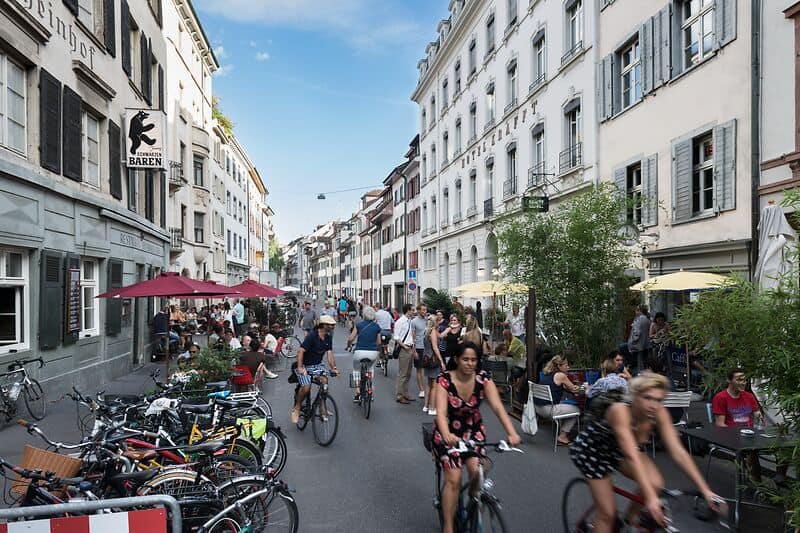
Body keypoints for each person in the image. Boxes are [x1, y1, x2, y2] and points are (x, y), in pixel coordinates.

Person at [570, 372, 724, 532]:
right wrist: (651, 499)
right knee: (607, 515)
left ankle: (627, 523)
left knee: (655, 483)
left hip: (622, 449)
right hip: (594, 451)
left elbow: (678, 451)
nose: (653, 405)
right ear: (635, 396)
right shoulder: (620, 411)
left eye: (658, 400)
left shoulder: (659, 412)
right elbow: (631, 455)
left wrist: (706, 490)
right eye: (647, 398)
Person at [430, 342, 521, 533]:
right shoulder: (444, 379)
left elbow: (497, 407)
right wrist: (446, 434)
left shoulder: (483, 379)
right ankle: (448, 526)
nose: (470, 363)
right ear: (456, 359)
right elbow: (440, 411)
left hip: (472, 431)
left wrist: (512, 433)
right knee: (454, 479)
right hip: (448, 432)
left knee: (479, 470)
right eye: (465, 359)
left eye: (474, 360)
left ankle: (474, 497)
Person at [712, 368, 764, 482]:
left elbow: (758, 415)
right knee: (751, 451)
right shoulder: (721, 398)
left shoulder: (749, 396)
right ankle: (758, 484)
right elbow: (720, 425)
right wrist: (738, 434)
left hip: (750, 435)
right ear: (729, 380)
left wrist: (760, 419)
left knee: (779, 447)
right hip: (730, 435)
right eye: (739, 379)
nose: (743, 382)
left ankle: (779, 478)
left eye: (744, 380)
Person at [291, 321, 339, 424]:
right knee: (306, 387)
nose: (332, 326)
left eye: (333, 325)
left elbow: (329, 354)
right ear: (323, 325)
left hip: (317, 366)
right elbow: (300, 351)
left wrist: (334, 367)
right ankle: (297, 407)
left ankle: (322, 408)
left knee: (324, 382)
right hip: (305, 366)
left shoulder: (328, 337)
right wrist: (300, 367)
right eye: (330, 324)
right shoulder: (312, 336)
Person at [534, 355, 581, 446]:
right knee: (576, 410)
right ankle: (562, 436)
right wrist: (583, 387)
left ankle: (562, 430)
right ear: (559, 366)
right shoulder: (561, 375)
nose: (568, 367)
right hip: (549, 410)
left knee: (566, 406)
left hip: (538, 408)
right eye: (566, 365)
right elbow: (574, 389)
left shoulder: (546, 373)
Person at [346, 306, 382, 402]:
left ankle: (358, 391)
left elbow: (351, 338)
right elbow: (378, 342)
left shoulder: (359, 325)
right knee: (370, 368)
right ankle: (370, 387)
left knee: (356, 369)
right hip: (372, 353)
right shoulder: (377, 327)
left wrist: (348, 345)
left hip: (359, 352)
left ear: (364, 315)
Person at [423, 316, 446, 415]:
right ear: (435, 322)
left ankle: (426, 406)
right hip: (433, 360)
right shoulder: (433, 332)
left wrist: (450, 328)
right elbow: (435, 348)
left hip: (426, 359)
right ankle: (432, 408)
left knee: (428, 384)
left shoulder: (427, 331)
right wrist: (441, 360)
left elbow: (441, 336)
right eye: (438, 321)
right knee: (434, 385)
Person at [393, 304, 416, 404]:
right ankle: (399, 395)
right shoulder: (400, 322)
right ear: (408, 311)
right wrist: (404, 346)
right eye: (412, 310)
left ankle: (405, 393)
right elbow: (396, 336)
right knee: (402, 373)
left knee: (408, 373)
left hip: (410, 347)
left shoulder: (409, 321)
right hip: (404, 349)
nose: (414, 312)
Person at [411, 304, 429, 402]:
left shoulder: (428, 320)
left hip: (428, 347)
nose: (424, 311)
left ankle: (428, 388)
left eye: (425, 310)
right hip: (419, 347)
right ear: (418, 311)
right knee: (419, 369)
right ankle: (421, 389)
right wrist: (414, 351)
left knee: (429, 368)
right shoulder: (413, 322)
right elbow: (413, 337)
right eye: (423, 310)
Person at [628, 304, 651, 372]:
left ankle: (634, 371)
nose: (635, 312)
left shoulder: (639, 319)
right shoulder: (647, 318)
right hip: (646, 344)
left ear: (639, 311)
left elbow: (637, 332)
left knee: (639, 363)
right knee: (644, 362)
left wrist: (632, 342)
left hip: (638, 344)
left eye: (636, 310)